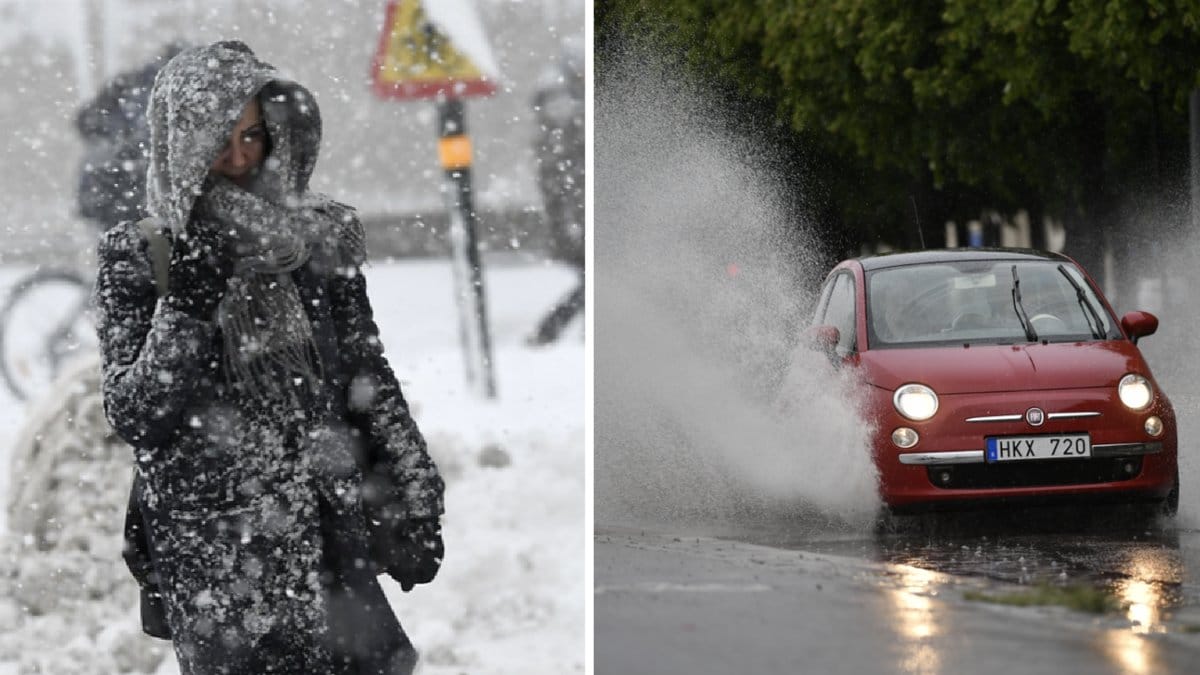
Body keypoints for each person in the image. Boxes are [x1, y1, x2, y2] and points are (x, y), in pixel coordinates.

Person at [92, 41, 444, 674]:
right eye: (216, 141)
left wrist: (415, 488)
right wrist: (187, 310)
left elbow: (364, 372)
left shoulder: (317, 238)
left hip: (326, 528)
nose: (237, 158)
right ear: (180, 142)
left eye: (252, 135)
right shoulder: (139, 255)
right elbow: (134, 413)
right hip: (218, 560)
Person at [527, 34, 585, 345]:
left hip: (574, 217)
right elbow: (559, 179)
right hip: (574, 219)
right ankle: (548, 333)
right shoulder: (564, 107)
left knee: (594, 283)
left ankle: (551, 333)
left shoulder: (564, 116)